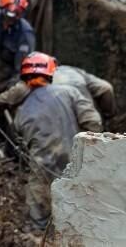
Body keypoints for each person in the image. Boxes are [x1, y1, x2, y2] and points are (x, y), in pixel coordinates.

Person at [12, 52, 102, 230]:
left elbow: (20, 141)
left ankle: (38, 234)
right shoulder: (70, 92)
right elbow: (93, 122)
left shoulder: (21, 111)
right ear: (50, 73)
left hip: (42, 171)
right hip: (77, 164)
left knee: (37, 216)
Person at [0, 63, 116, 122]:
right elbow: (106, 88)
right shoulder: (74, 72)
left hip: (53, 128)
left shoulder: (36, 80)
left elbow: (2, 100)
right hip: (88, 120)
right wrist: (108, 116)